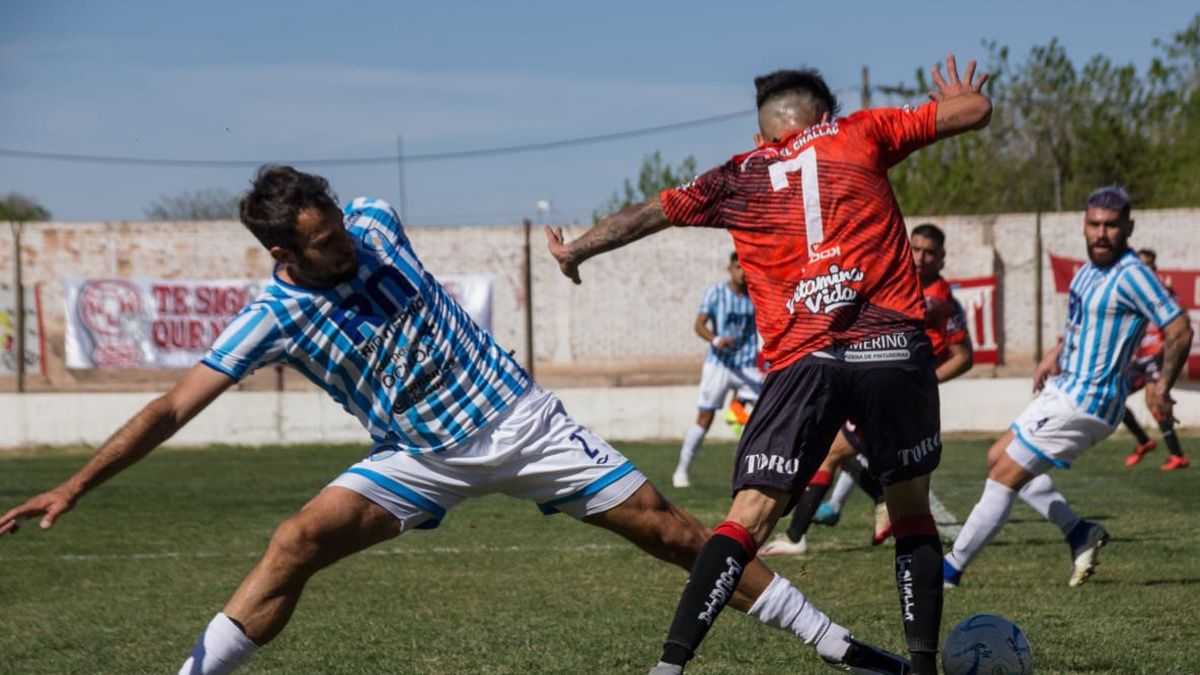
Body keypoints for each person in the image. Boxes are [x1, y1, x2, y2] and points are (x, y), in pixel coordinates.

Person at [0, 166, 909, 675]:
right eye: (324, 246)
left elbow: (365, 233)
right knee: (292, 542)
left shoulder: (373, 217)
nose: (347, 247)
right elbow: (169, 407)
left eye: (341, 230)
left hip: (521, 421)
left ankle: (841, 649)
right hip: (416, 456)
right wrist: (76, 482)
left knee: (677, 533)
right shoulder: (268, 318)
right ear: (283, 251)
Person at [546, 55, 993, 675]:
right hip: (891, 348)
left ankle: (670, 668)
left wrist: (576, 249)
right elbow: (973, 111)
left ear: (762, 136)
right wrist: (963, 99)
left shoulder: (736, 176)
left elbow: (645, 215)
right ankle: (920, 667)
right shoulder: (861, 130)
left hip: (802, 362)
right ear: (825, 116)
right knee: (910, 509)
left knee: (746, 521)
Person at [942, 186, 1193, 590]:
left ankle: (949, 571)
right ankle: (1079, 532)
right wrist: (1053, 353)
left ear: (1128, 226)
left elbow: (1179, 328)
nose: (1101, 233)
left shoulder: (1134, 275)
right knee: (997, 456)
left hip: (1088, 401)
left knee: (1005, 474)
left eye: (1111, 225)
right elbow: (1082, 321)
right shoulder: (1089, 268)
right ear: (1084, 224)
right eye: (1094, 224)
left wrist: (1162, 386)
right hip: (1064, 388)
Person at [761, 223, 974, 556]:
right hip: (877, 388)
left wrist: (923, 379)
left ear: (942, 258)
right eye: (915, 249)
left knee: (833, 452)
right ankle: (882, 508)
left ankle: (795, 536)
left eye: (929, 252)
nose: (920, 258)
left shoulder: (937, 302)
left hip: (896, 397)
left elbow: (963, 357)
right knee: (863, 460)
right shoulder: (900, 287)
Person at [673, 252, 762, 488]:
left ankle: (744, 469)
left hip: (748, 364)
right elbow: (699, 324)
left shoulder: (756, 294)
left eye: (745, 267)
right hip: (719, 364)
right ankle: (682, 471)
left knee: (763, 414)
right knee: (705, 417)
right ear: (729, 268)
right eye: (737, 267)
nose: (742, 272)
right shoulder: (716, 293)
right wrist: (715, 340)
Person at [1121, 248, 1189, 471]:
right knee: (1114, 396)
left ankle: (1178, 456)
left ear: (1154, 268)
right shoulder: (1133, 289)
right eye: (1141, 265)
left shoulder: (1163, 291)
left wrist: (1164, 344)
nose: (1144, 269)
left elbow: (1179, 320)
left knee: (1154, 402)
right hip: (1138, 357)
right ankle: (1144, 441)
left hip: (1155, 356)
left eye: (1148, 265)